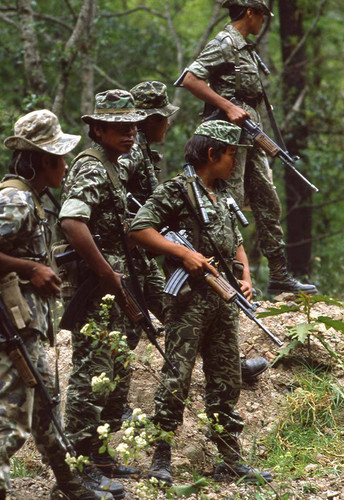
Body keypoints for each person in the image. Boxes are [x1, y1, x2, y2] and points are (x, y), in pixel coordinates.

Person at [129, 120, 273, 485]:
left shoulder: (222, 193)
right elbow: (139, 228)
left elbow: (235, 240)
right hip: (189, 301)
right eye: (231, 156)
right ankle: (161, 455)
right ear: (212, 153)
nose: (235, 163)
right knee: (176, 378)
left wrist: (245, 276)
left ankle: (229, 457)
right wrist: (184, 254)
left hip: (225, 299)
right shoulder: (176, 190)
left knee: (226, 379)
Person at [0, 109, 115, 500]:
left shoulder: (27, 199)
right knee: (12, 421)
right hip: (12, 329)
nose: (65, 166)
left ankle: (71, 486)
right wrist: (31, 267)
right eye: (60, 159)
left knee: (47, 408)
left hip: (25, 327)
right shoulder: (15, 200)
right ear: (40, 162)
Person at [121, 80, 269, 382]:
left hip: (150, 245)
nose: (167, 122)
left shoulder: (146, 153)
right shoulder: (131, 154)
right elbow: (123, 205)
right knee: (135, 321)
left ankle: (229, 364)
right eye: (163, 116)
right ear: (149, 120)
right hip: (130, 247)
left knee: (172, 308)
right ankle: (118, 399)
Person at [58, 89, 164, 480]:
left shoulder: (115, 165)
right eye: (119, 127)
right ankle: (80, 463)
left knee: (115, 370)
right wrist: (104, 271)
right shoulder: (92, 167)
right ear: (98, 130)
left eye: (133, 127)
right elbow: (72, 222)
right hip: (97, 285)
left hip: (116, 282)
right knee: (92, 372)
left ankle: (99, 456)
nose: (130, 134)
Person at [181, 0, 317, 296]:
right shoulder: (225, 42)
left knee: (268, 200)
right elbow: (190, 79)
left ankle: (280, 275)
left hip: (251, 136)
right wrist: (228, 106)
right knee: (229, 205)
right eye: (263, 16)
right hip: (227, 140)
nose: (264, 23)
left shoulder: (246, 47)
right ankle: (230, 278)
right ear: (251, 13)